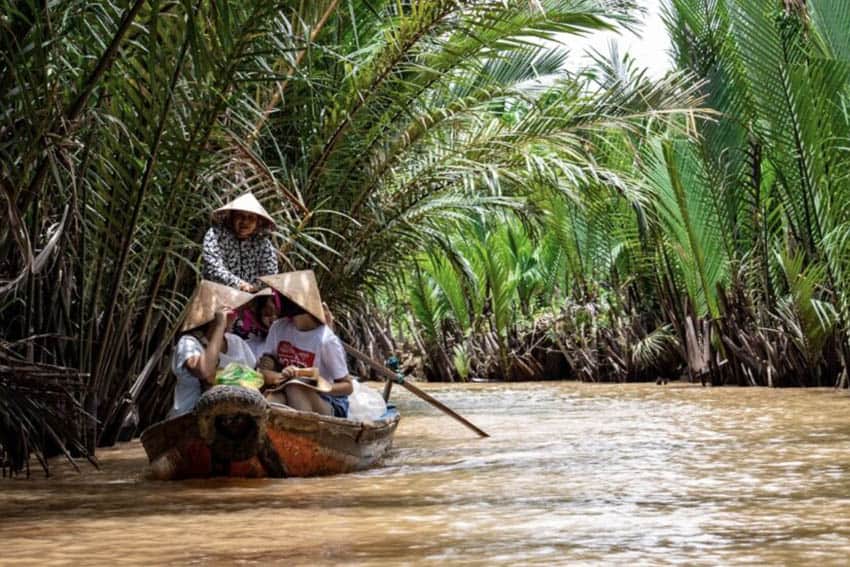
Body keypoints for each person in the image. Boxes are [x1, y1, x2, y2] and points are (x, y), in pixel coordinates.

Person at [257, 270, 353, 417]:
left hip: (328, 401)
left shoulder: (326, 340)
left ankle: (305, 434)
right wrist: (282, 375)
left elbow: (347, 386)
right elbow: (263, 370)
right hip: (287, 389)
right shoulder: (278, 328)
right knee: (273, 398)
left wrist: (320, 385)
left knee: (295, 387)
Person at [169, 281, 257, 418]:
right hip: (190, 417)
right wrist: (219, 325)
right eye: (232, 313)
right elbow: (204, 370)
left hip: (233, 417)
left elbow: (255, 374)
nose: (236, 317)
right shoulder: (188, 342)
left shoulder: (236, 342)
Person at [202, 192, 278, 293]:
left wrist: (255, 288)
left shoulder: (263, 243)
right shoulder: (216, 235)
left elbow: (271, 274)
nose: (245, 222)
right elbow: (213, 268)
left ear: (257, 222)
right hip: (219, 294)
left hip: (253, 297)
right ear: (232, 217)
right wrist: (240, 285)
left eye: (251, 218)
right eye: (240, 216)